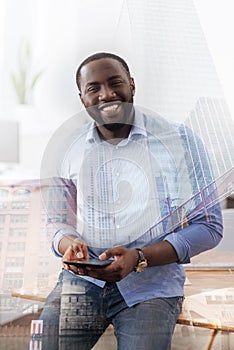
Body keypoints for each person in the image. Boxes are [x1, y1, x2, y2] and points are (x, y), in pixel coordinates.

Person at [39, 52, 223, 350]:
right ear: (82, 98)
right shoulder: (67, 148)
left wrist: (140, 256)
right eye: (93, 88)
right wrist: (68, 242)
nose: (107, 95)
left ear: (132, 85)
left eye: (115, 83)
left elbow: (210, 226)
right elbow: (56, 222)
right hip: (83, 281)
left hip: (151, 286)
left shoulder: (180, 139)